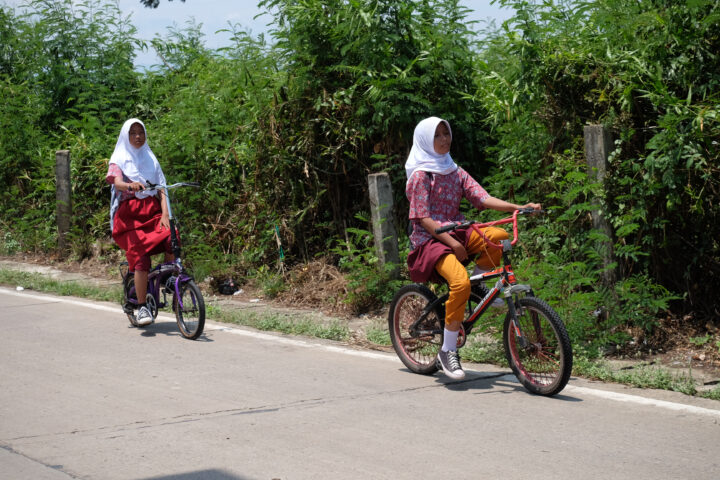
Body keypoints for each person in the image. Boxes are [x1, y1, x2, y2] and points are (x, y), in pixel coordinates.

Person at [405, 116, 540, 380]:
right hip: (430, 240)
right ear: (425, 140)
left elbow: (482, 197)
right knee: (459, 283)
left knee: (499, 235)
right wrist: (453, 243)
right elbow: (423, 218)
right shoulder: (422, 175)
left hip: (456, 231)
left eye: (447, 134)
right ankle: (447, 350)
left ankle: (479, 285)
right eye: (437, 136)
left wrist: (518, 207)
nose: (444, 140)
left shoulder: (453, 169)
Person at [106, 118, 174, 326]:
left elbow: (162, 188)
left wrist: (165, 215)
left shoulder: (151, 159)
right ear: (126, 136)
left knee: (173, 238)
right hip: (130, 217)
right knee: (141, 258)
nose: (138, 136)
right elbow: (116, 182)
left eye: (141, 132)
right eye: (133, 133)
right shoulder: (119, 158)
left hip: (152, 212)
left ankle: (167, 278)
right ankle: (142, 306)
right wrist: (129, 185)